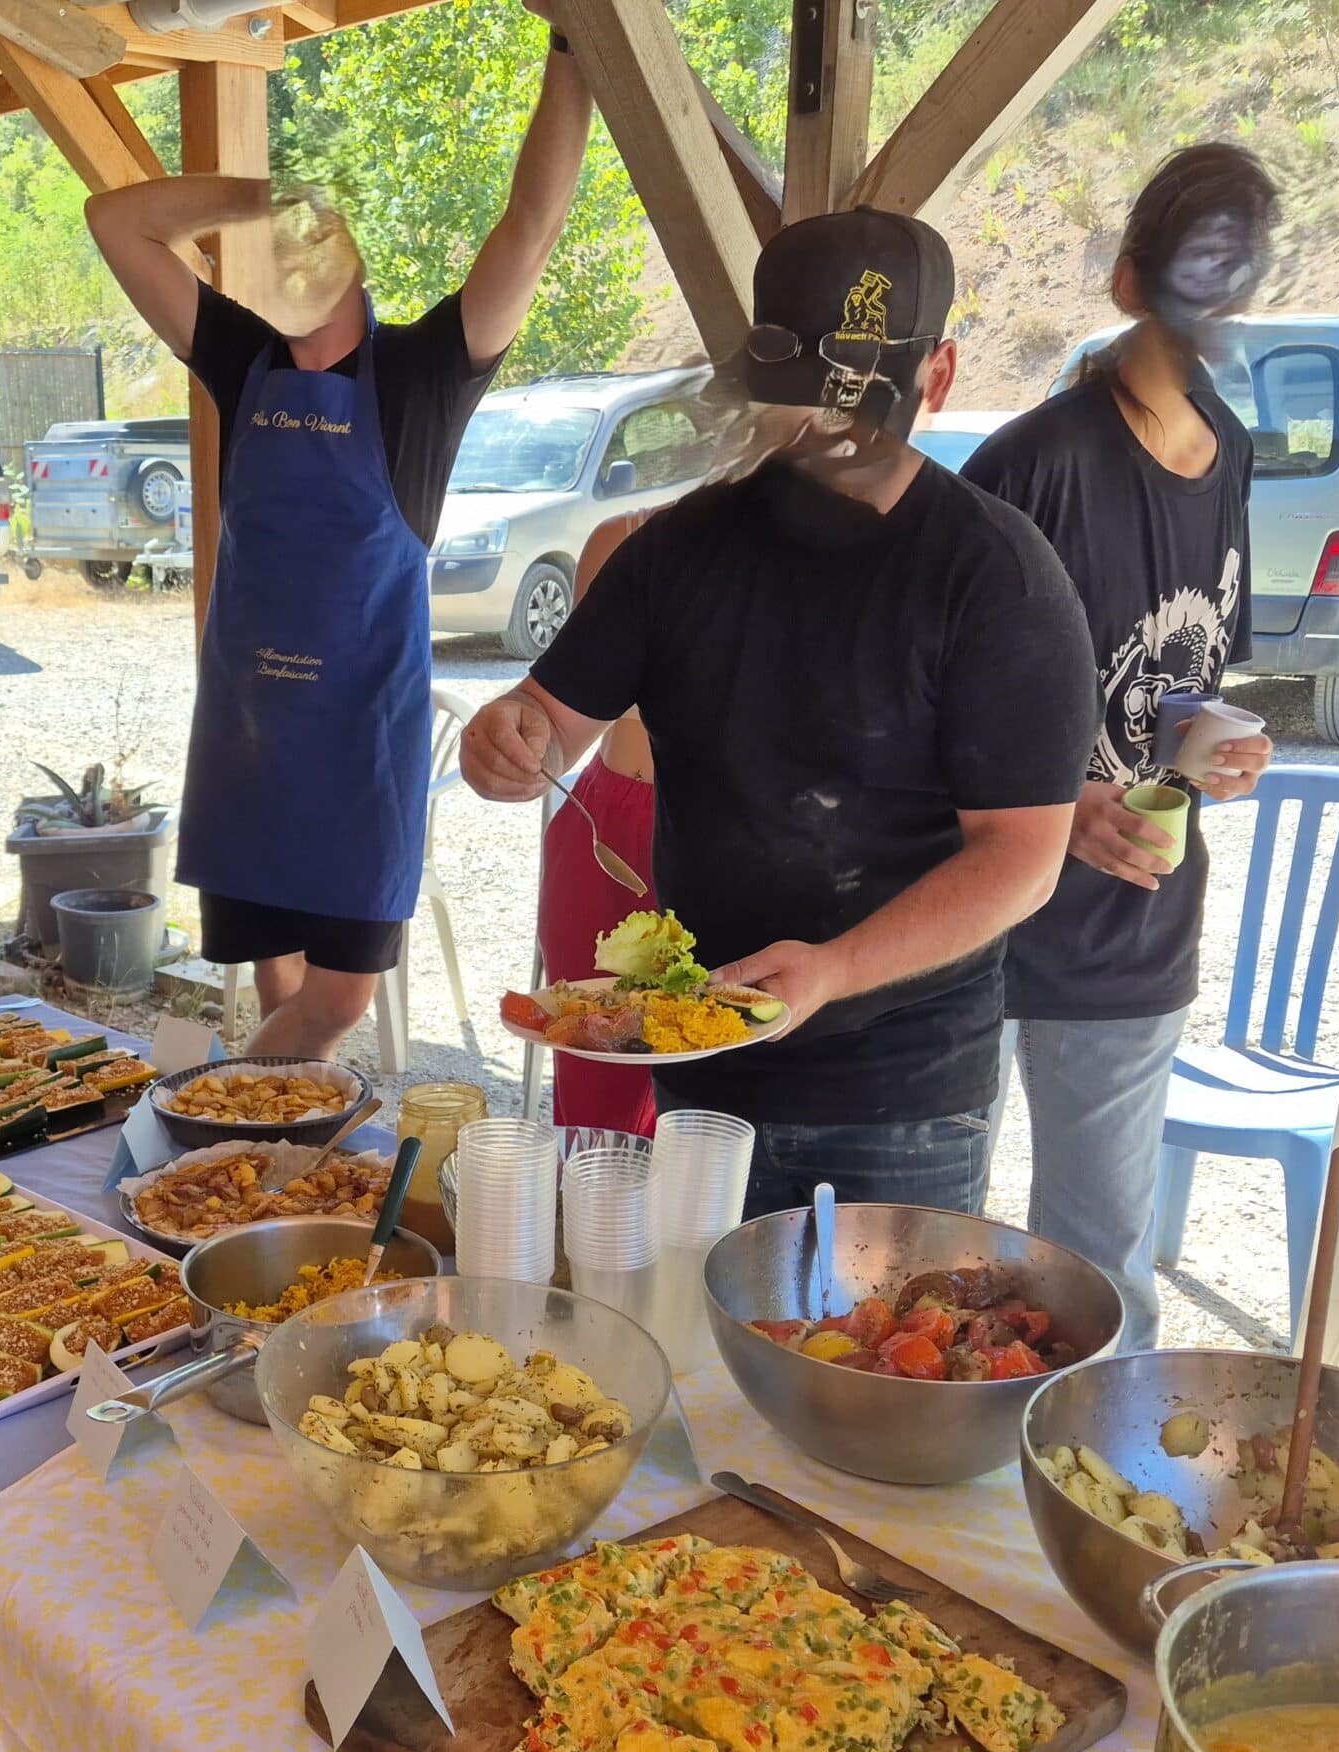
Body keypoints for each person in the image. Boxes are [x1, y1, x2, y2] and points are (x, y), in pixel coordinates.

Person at [460, 209, 1100, 1218]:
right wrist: (506, 737)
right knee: (698, 1351)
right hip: (703, 1061)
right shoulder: (676, 552)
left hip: (901, 1089)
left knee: (871, 1366)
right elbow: (547, 718)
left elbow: (1021, 857)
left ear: (937, 377)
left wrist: (833, 969)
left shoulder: (997, 578)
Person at [82, 8, 594, 1058]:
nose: (290, 265)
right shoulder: (238, 355)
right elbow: (114, 219)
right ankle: (258, 1171)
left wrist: (575, 48)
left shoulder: (420, 378)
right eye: (273, 251)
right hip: (247, 736)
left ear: (354, 262)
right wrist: (257, 197)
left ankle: (206, 1116)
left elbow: (532, 223)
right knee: (279, 998)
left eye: (310, 243)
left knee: (336, 1006)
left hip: (361, 752)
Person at [962, 146, 1282, 1350]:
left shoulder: (1231, 453)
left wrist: (1217, 745)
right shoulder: (1031, 464)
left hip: (1140, 923)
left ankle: (1080, 1520)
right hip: (983, 923)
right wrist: (1061, 804)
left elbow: (1189, 673)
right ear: (1128, 283)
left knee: (1101, 1280)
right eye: (1201, 284)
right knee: (933, 1250)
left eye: (1238, 289)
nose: (1218, 320)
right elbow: (924, 710)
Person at [535, 508, 661, 1136]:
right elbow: (559, 720)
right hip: (610, 823)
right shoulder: (629, 538)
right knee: (595, 1083)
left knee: (712, 1106)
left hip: (753, 839)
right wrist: (518, 747)